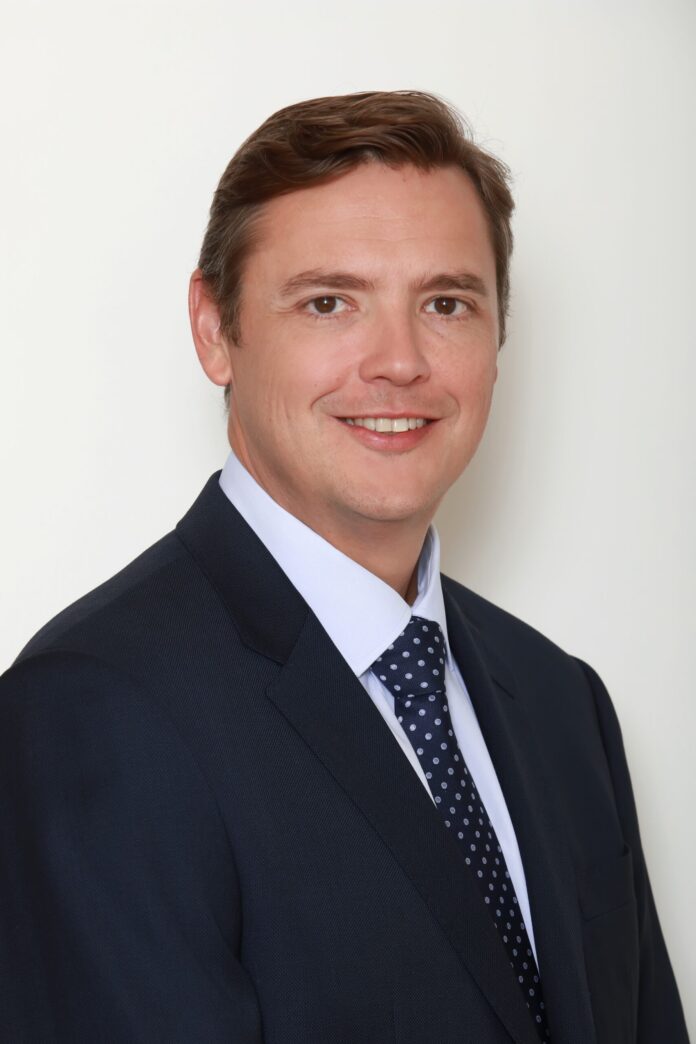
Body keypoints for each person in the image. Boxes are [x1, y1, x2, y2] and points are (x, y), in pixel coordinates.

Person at [0, 90, 688, 1044]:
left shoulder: (563, 703)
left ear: (498, 336)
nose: (400, 362)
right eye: (330, 303)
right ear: (214, 328)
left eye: (446, 303)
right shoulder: (94, 712)